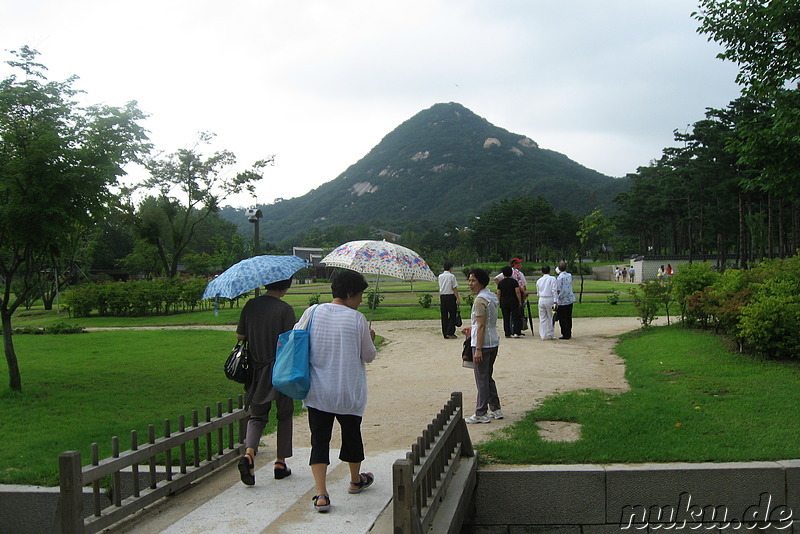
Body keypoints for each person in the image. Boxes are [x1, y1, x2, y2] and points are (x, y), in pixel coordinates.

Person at [296, 270, 377, 513]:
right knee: (352, 435)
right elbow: (369, 356)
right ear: (350, 293)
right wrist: (370, 338)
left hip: (318, 391)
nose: (361, 300)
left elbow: (298, 337)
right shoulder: (357, 319)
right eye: (360, 294)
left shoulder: (313, 311)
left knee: (319, 440)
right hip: (347, 393)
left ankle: (321, 494)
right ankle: (355, 480)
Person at [235, 278, 297, 486]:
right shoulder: (285, 309)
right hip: (280, 369)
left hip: (256, 369)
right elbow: (291, 340)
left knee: (257, 415)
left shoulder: (251, 305)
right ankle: (280, 462)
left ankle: (249, 454)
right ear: (285, 286)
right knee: (284, 414)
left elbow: (240, 335)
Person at [464, 268, 503, 424]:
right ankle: (495, 408)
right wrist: (471, 328)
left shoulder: (480, 300)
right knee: (487, 377)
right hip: (493, 341)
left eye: (473, 281)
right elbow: (484, 323)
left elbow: (481, 326)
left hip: (483, 343)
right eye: (469, 280)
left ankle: (481, 412)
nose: (470, 284)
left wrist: (478, 349)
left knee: (481, 378)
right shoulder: (491, 296)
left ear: (481, 282)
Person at [496, 265, 523, 338]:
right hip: (513, 300)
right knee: (515, 317)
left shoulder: (501, 283)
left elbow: (499, 293)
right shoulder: (514, 282)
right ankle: (516, 332)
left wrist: (499, 301)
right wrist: (520, 301)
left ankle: (507, 333)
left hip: (504, 301)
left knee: (506, 318)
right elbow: (517, 292)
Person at [437, 262, 461, 339]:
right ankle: (450, 332)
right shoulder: (451, 276)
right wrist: (458, 298)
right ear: (450, 268)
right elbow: (454, 288)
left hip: (443, 296)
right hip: (450, 296)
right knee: (452, 314)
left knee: (444, 315)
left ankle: (445, 332)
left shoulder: (440, 276)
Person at [535, 265, 558, 340]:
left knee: (542, 318)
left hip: (541, 299)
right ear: (549, 271)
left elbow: (538, 292)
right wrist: (555, 301)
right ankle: (550, 334)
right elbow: (554, 290)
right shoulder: (552, 279)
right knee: (550, 317)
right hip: (549, 298)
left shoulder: (539, 280)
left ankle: (543, 335)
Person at [555, 261, 576, 340]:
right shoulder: (569, 275)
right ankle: (569, 332)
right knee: (568, 316)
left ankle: (565, 333)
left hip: (562, 300)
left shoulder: (560, 278)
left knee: (562, 318)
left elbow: (559, 289)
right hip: (569, 298)